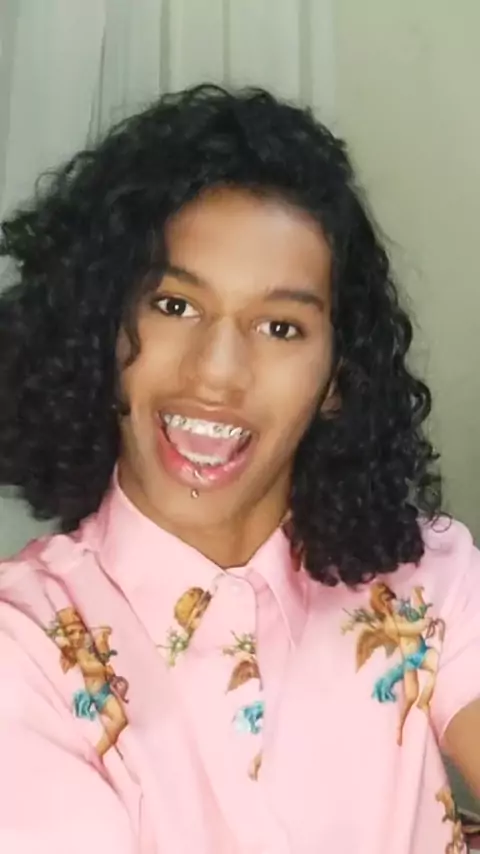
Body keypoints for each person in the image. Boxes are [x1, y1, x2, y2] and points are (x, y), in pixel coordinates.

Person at [0, 84, 478, 854]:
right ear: (100, 329)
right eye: (175, 306)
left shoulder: (429, 578)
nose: (217, 373)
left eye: (280, 326)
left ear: (337, 379)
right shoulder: (20, 643)